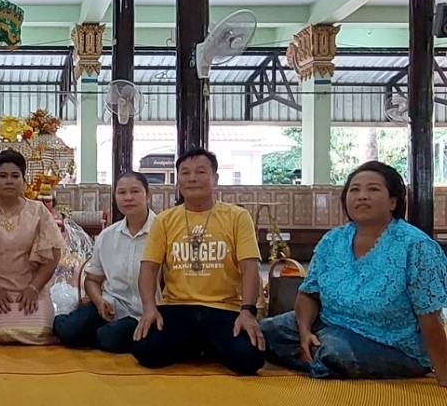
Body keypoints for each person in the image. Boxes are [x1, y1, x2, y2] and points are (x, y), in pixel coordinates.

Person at [262, 161, 447, 385]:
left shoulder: (417, 246)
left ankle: (318, 357)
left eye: (373, 189)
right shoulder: (333, 240)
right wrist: (304, 332)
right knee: (261, 332)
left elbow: (429, 317)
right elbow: (309, 293)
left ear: (393, 201)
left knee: (334, 352)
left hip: (390, 344)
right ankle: (313, 354)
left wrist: (443, 372)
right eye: (355, 190)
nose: (362, 196)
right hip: (327, 324)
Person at [131, 148, 266, 375]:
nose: (192, 178)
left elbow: (250, 267)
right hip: (177, 307)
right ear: (178, 182)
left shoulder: (237, 217)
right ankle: (205, 346)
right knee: (145, 350)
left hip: (224, 308)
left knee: (250, 358)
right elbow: (149, 268)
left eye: (201, 172)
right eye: (185, 173)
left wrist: (248, 311)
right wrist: (149, 309)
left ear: (215, 179)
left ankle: (199, 345)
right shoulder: (164, 220)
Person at [54, 171, 157, 353]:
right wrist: (99, 300)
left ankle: (104, 334)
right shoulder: (107, 235)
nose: (128, 197)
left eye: (135, 191)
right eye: (122, 192)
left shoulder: (162, 231)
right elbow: (92, 280)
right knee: (69, 331)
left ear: (147, 195)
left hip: (146, 311)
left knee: (111, 338)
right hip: (111, 305)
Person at [0, 149, 64, 344]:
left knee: (40, 331)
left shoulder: (37, 210)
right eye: (2, 176)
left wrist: (34, 288)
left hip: (31, 289)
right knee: (1, 333)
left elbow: (53, 255)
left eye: (15, 176)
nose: (9, 181)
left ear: (24, 180)